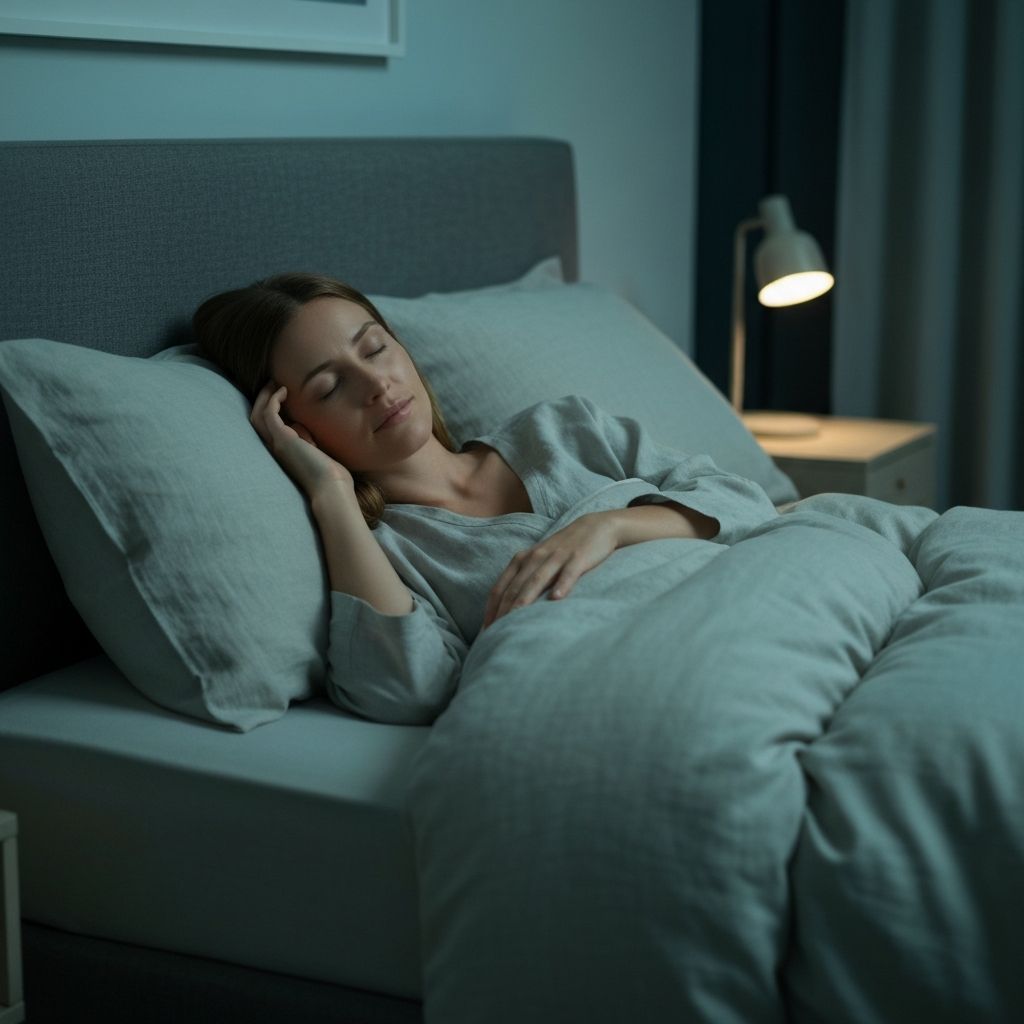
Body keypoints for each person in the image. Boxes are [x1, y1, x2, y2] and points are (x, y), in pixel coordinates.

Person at [193, 272, 779, 724]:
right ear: (297, 429)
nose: (376, 385)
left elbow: (745, 501)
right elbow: (406, 690)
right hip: (672, 685)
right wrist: (330, 492)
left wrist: (610, 529)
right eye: (329, 386)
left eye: (374, 350)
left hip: (762, 616)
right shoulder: (392, 552)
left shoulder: (563, 429)